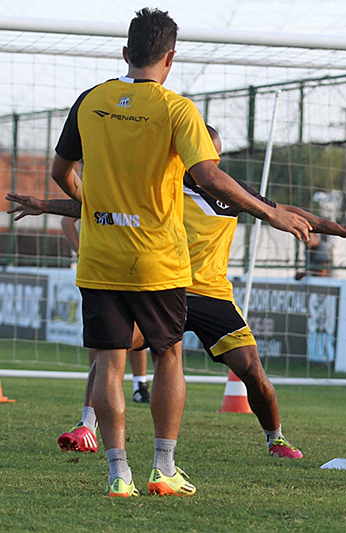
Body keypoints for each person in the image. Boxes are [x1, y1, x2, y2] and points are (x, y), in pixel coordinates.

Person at [48, 8, 312, 498]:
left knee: (109, 362)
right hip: (157, 260)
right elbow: (209, 176)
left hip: (101, 256)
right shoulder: (177, 108)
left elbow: (61, 171)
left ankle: (117, 475)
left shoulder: (89, 100)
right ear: (170, 57)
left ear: (126, 54)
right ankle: (163, 469)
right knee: (169, 354)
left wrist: (95, 202)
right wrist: (270, 212)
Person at [8, 125, 346, 463]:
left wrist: (341, 229)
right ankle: (87, 426)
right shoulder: (158, 186)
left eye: (213, 158)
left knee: (253, 373)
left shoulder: (233, 193)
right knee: (112, 349)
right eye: (201, 156)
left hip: (212, 295)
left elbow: (285, 211)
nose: (207, 163)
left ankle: (275, 438)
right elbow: (97, 205)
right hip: (164, 288)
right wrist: (44, 205)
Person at [61, 215, 151, 404]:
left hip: (134, 265)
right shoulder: (96, 189)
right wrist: (81, 251)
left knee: (137, 326)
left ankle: (139, 385)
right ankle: (99, 387)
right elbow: (66, 221)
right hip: (100, 272)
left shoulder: (133, 195)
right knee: (101, 332)